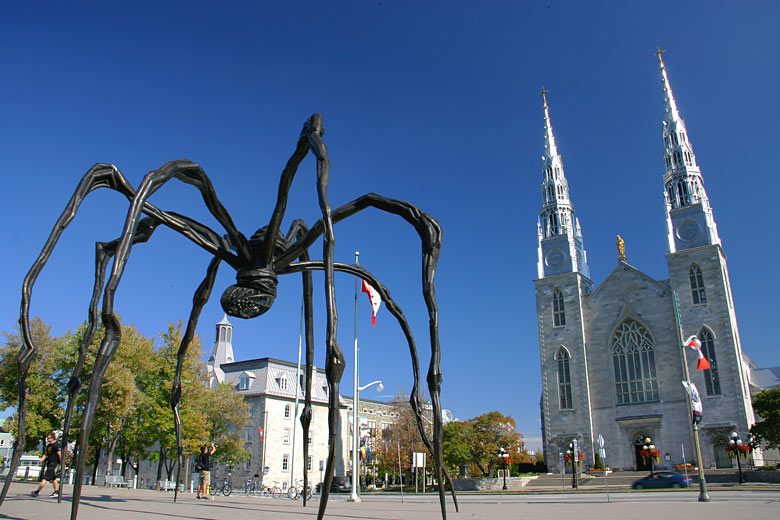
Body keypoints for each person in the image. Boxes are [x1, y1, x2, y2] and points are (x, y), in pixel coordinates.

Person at [31, 433, 61, 497]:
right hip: (49, 463)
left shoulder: (56, 445)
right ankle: (57, 491)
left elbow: (59, 454)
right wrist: (41, 460)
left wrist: (61, 462)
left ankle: (37, 491)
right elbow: (46, 454)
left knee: (45, 477)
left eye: (49, 438)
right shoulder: (48, 446)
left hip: (54, 463)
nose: (48, 439)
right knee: (53, 478)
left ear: (53, 438)